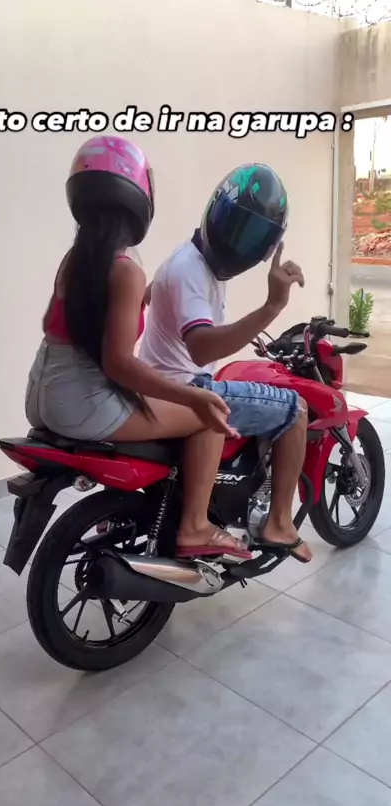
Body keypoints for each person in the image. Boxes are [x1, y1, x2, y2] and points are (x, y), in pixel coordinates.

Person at [25, 136, 252, 559]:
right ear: (139, 201)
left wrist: (135, 303)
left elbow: (53, 326)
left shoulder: (75, 260)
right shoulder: (125, 271)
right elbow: (118, 364)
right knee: (210, 417)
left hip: (41, 397)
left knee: (177, 405)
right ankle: (196, 526)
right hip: (84, 405)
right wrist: (193, 397)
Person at [139, 163, 312, 563]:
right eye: (237, 229)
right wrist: (272, 306)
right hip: (187, 387)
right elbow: (201, 349)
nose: (238, 243)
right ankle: (279, 523)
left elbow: (161, 296)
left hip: (157, 383)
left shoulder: (185, 260)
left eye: (250, 236)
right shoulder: (190, 270)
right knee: (296, 409)